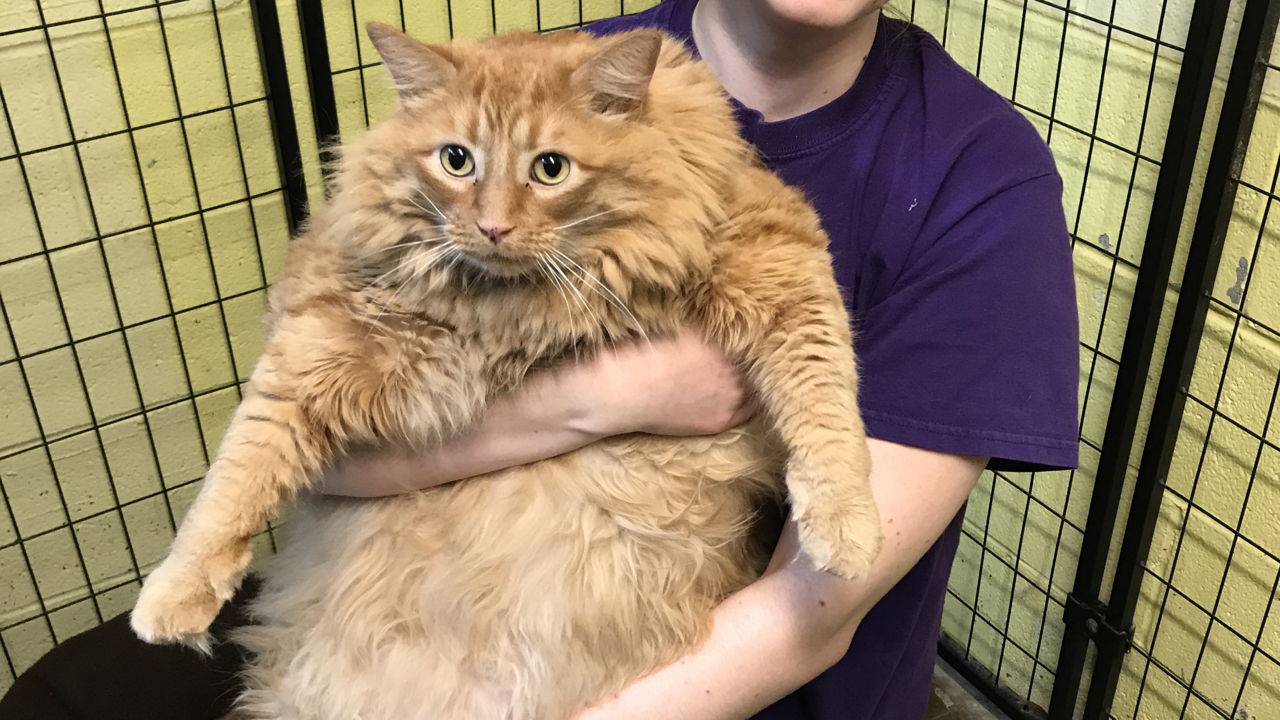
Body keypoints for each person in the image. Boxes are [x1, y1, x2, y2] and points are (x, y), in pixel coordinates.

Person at [0, 1, 1078, 719]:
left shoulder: (977, 177)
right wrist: (617, 398)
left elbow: (812, 611)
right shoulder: (552, 67)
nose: (500, 213)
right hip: (403, 610)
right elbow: (316, 435)